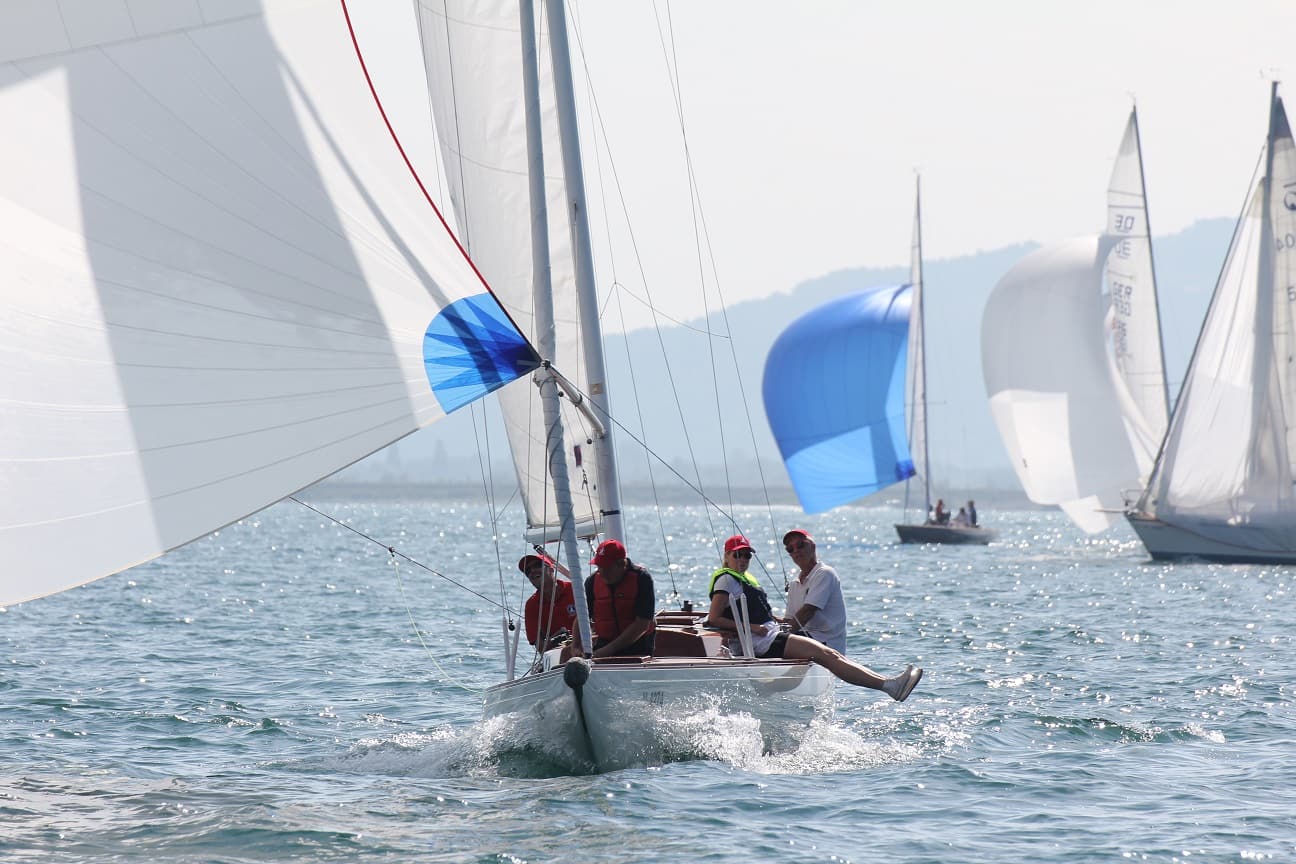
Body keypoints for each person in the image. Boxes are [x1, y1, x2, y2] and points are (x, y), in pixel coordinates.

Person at [705, 535, 922, 702]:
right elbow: (714, 619)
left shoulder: (743, 579)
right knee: (826, 654)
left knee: (830, 654)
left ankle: (765, 689)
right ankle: (890, 686)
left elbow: (754, 611)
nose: (743, 559)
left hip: (768, 635)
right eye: (737, 555)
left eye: (747, 555)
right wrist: (753, 627)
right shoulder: (725, 580)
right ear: (726, 556)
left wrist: (775, 620)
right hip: (761, 641)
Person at [581, 539, 655, 658]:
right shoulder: (592, 582)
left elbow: (643, 623)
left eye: (607, 568)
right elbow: (581, 618)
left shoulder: (641, 578)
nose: (603, 573)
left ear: (622, 564)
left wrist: (609, 650)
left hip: (638, 647)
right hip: (604, 644)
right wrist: (575, 646)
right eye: (600, 567)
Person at [779, 529, 847, 654]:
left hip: (826, 644)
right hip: (805, 638)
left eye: (800, 545)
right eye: (790, 549)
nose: (796, 551)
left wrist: (777, 639)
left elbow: (807, 612)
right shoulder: (794, 584)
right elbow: (789, 622)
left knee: (769, 644)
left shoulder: (824, 573)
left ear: (813, 546)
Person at [519, 552, 576, 650]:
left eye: (537, 565)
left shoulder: (574, 590)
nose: (532, 571)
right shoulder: (532, 605)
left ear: (551, 570)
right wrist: (556, 638)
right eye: (528, 571)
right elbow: (540, 647)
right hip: (557, 656)